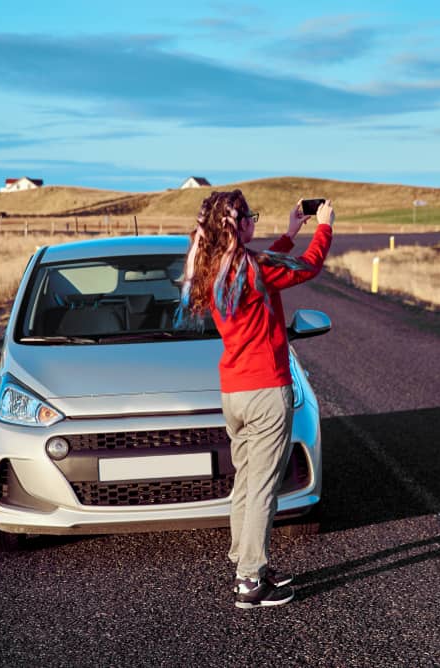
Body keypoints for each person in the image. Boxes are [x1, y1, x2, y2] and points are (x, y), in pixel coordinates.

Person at [175, 189, 334, 609]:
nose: (254, 223)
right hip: (266, 391)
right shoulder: (252, 268)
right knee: (263, 485)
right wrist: (325, 227)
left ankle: (246, 562)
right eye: (251, 218)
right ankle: (250, 582)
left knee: (246, 482)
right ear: (237, 224)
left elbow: (272, 265)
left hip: (236, 392)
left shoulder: (214, 268)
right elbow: (307, 267)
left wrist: (289, 233)